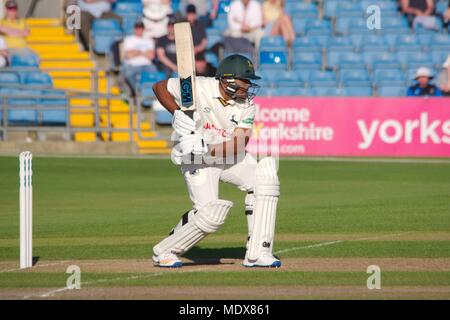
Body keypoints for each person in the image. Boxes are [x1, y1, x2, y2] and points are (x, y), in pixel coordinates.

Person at [151, 54, 281, 268]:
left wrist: (208, 148)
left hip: (223, 153)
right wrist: (177, 114)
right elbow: (159, 87)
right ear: (227, 80)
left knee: (265, 178)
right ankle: (165, 251)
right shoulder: (198, 87)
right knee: (210, 216)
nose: (248, 87)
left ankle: (258, 252)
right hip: (196, 160)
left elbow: (239, 144)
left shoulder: (246, 105)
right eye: (244, 81)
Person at [122, 21, 157, 93]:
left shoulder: (149, 40)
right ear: (134, 29)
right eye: (137, 28)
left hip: (147, 65)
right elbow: (128, 55)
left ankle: (150, 95)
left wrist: (136, 52)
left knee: (157, 76)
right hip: (132, 65)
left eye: (140, 28)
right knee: (129, 75)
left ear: (143, 29)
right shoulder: (129, 39)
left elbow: (151, 56)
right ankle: (137, 94)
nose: (139, 30)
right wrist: (144, 53)